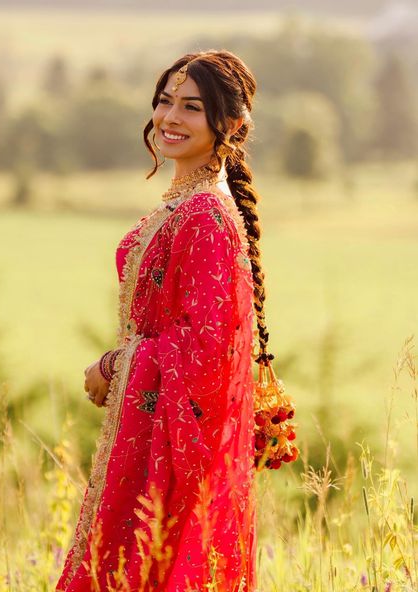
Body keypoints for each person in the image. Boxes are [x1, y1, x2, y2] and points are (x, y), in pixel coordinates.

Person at [56, 49, 298, 592]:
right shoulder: (183, 206)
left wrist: (116, 363)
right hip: (142, 432)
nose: (169, 117)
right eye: (166, 101)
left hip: (171, 446)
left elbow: (207, 354)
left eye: (191, 107)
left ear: (231, 125)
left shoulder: (208, 219)